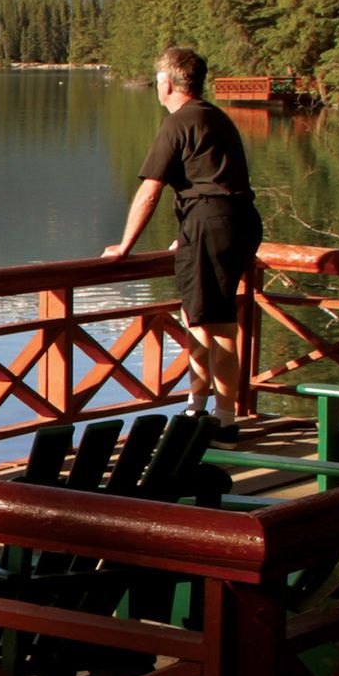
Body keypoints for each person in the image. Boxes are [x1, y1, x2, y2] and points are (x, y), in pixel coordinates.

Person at [100, 46, 263, 430]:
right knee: (198, 315)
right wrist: (188, 235)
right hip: (236, 222)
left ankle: (224, 419)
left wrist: (125, 246)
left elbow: (150, 190)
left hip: (212, 224)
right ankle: (196, 407)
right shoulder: (216, 117)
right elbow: (213, 178)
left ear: (167, 83)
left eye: (158, 80)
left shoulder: (177, 123)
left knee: (218, 323)